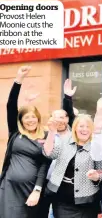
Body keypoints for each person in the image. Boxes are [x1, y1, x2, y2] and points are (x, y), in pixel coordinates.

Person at [0, 66, 51, 218]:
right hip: (9, 188)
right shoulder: (16, 133)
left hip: (32, 190)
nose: (30, 120)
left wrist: (37, 190)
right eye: (26, 117)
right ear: (21, 120)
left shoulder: (46, 135)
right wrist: (18, 80)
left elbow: (45, 164)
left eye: (33, 116)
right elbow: (10, 105)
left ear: (38, 118)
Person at [43, 114, 102, 218]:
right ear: (75, 128)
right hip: (62, 199)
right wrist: (52, 132)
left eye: (88, 126)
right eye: (81, 126)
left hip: (87, 200)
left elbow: (100, 171)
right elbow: (49, 153)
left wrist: (96, 177)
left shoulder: (96, 145)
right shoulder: (64, 140)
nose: (84, 129)